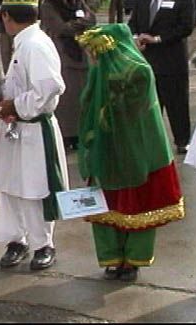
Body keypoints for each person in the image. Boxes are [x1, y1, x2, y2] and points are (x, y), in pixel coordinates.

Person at [75, 24, 185, 282]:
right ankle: (112, 258)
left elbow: (131, 112)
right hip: (107, 149)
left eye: (95, 51)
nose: (92, 57)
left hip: (138, 151)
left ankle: (133, 259)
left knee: (139, 205)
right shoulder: (101, 71)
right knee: (106, 206)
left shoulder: (138, 72)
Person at [0, 0, 69, 271]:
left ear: (6, 16)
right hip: (15, 128)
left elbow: (49, 87)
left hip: (33, 130)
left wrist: (15, 105)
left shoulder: (35, 45)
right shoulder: (24, 43)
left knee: (34, 189)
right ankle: (16, 240)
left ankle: (44, 244)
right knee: (8, 187)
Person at [128, 0, 195, 154]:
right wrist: (136, 39)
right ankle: (151, 141)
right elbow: (132, 25)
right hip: (147, 63)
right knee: (149, 106)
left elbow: (185, 27)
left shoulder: (183, 0)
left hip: (172, 63)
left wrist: (157, 39)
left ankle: (182, 141)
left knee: (177, 104)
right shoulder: (141, 2)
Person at [40, 0, 97, 151]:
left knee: (83, 96)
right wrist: (80, 24)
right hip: (63, 55)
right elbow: (61, 28)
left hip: (82, 55)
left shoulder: (78, 3)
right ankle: (66, 135)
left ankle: (82, 134)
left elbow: (92, 18)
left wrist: (76, 24)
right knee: (67, 99)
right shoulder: (49, 6)